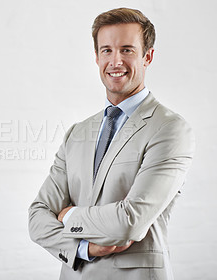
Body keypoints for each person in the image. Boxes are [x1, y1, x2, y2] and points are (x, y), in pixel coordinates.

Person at [28, 7, 195, 280]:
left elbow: (130, 222)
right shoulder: (77, 133)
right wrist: (85, 248)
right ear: (96, 57)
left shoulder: (170, 129)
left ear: (148, 56)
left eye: (127, 49)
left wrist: (69, 216)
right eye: (106, 50)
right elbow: (37, 217)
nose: (115, 61)